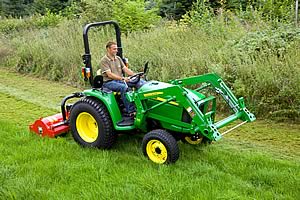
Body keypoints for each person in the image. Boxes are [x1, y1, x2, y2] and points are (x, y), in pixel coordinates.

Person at [98, 41, 145, 116]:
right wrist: (122, 79)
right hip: (109, 83)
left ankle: (143, 105)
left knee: (140, 82)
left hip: (119, 80)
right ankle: (131, 111)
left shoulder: (118, 58)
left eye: (116, 49)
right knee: (124, 87)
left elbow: (125, 69)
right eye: (114, 49)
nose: (116, 50)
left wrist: (135, 75)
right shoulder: (104, 61)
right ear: (108, 49)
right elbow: (109, 75)